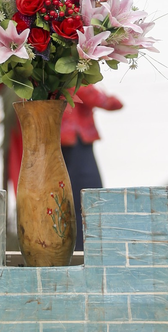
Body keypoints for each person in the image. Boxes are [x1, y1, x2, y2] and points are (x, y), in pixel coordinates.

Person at [61, 84, 123, 249]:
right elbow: (111, 103)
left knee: (69, 199)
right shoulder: (75, 79)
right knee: (88, 198)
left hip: (61, 141)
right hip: (77, 141)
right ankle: (86, 246)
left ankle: (75, 246)